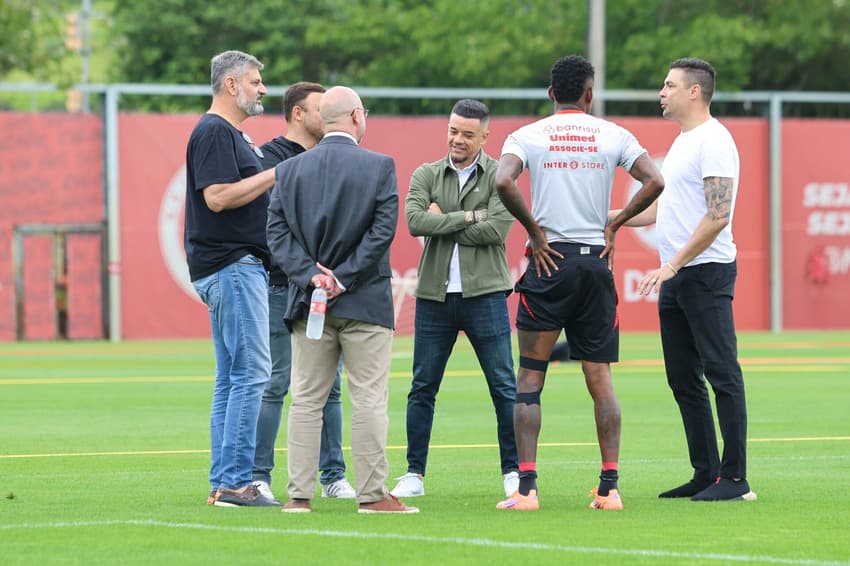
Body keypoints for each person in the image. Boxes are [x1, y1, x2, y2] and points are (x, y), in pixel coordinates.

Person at [493, 55, 664, 511]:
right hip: (594, 265)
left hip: (549, 263)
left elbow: (503, 180)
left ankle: (526, 489)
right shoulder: (614, 134)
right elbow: (654, 180)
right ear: (589, 94)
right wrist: (617, 223)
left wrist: (533, 230)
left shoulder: (527, 135)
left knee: (530, 377)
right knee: (600, 378)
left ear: (551, 94)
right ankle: (610, 488)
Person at [267, 86, 417, 514]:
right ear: (355, 116)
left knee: (306, 399)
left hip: (308, 302)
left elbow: (276, 233)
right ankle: (372, 494)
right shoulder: (379, 166)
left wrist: (312, 276)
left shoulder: (291, 170)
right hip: (364, 302)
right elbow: (383, 230)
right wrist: (344, 278)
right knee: (368, 397)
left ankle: (298, 496)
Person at [621, 58, 755, 502]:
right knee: (682, 377)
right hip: (678, 275)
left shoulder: (715, 141)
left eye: (669, 85)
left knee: (722, 372)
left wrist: (672, 265)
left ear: (694, 92)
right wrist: (611, 220)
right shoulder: (682, 142)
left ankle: (735, 479)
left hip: (705, 272)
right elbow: (663, 210)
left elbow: (718, 216)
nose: (662, 92)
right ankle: (706, 473)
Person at [390, 99, 519, 499]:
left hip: (485, 296)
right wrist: (469, 215)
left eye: (467, 133)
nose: (457, 139)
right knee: (422, 386)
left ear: (485, 136)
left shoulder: (501, 175)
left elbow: (497, 230)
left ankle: (514, 473)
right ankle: (414, 473)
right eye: (453, 131)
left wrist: (443, 218)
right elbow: (414, 223)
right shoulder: (426, 173)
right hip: (433, 296)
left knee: (504, 387)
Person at [252, 81, 355, 502]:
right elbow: (281, 222)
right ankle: (259, 475)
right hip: (282, 284)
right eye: (319, 109)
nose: (327, 117)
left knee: (329, 386)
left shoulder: (334, 156)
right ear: (298, 114)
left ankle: (333, 475)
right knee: (276, 380)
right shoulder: (271, 157)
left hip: (326, 290)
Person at [184, 50, 277, 507]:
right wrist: (276, 174)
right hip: (233, 265)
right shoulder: (215, 131)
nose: (263, 89)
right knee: (252, 372)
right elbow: (218, 197)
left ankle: (224, 482)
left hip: (229, 267)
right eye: (256, 81)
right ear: (231, 85)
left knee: (232, 377)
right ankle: (239, 483)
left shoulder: (229, 133)